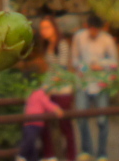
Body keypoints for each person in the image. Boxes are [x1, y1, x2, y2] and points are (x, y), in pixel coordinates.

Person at [71, 13, 119, 161]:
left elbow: (114, 62)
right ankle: (87, 149)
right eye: (91, 29)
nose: (94, 32)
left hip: (100, 83)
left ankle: (102, 153)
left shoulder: (107, 40)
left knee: (102, 119)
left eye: (96, 30)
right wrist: (83, 67)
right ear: (87, 27)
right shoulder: (79, 37)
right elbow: (74, 59)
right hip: (84, 82)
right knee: (81, 116)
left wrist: (102, 66)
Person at [37, 15, 76, 161]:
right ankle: (49, 155)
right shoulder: (49, 45)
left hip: (63, 91)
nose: (43, 31)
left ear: (54, 28)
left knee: (65, 125)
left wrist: (48, 89)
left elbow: (62, 70)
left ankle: (71, 156)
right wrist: (43, 89)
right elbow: (50, 70)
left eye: (47, 27)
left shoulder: (62, 45)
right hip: (51, 90)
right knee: (44, 121)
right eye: (41, 28)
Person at [17, 81, 64, 161]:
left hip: (28, 122)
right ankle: (22, 155)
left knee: (31, 142)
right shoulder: (41, 94)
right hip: (36, 123)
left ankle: (31, 158)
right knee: (30, 141)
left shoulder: (33, 94)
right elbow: (47, 104)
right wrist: (56, 109)